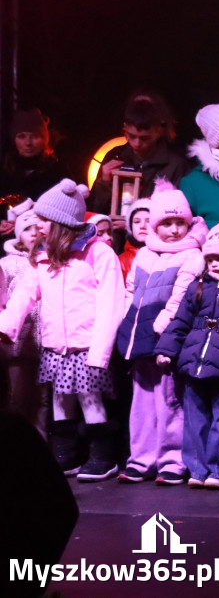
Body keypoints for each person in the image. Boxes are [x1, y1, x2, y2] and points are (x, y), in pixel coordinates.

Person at [0, 180, 125, 481]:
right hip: (56, 346)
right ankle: (65, 455)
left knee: (90, 399)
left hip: (87, 345)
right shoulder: (43, 256)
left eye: (43, 220)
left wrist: (100, 350)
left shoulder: (98, 253)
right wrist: (7, 327)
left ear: (60, 223)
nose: (38, 226)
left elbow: (111, 302)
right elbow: (24, 294)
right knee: (60, 401)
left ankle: (101, 457)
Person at [117, 179, 208, 485]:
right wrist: (126, 323)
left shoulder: (192, 256)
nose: (172, 230)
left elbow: (180, 299)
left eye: (178, 222)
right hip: (138, 339)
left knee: (168, 401)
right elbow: (131, 291)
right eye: (166, 223)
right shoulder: (145, 254)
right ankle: (141, 459)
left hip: (165, 341)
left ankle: (172, 460)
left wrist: (161, 330)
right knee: (141, 404)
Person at [154, 223, 219, 490]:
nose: (214, 264)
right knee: (195, 419)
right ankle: (197, 468)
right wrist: (166, 350)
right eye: (209, 259)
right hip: (193, 362)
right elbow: (180, 322)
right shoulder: (197, 287)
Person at [89, 93, 191, 220]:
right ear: (125, 128)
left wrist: (133, 226)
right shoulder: (115, 156)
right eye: (131, 136)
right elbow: (92, 213)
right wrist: (104, 183)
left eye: (145, 138)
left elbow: (180, 215)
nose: (137, 143)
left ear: (159, 131)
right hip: (112, 237)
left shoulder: (176, 165)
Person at [0, 200, 45, 434]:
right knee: (19, 397)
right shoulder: (7, 264)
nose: (34, 232)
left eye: (38, 227)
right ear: (18, 235)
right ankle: (16, 446)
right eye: (27, 228)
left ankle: (42, 451)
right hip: (18, 345)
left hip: (47, 344)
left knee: (44, 402)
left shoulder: (49, 263)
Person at [0, 109, 66, 235]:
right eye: (21, 136)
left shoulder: (58, 173)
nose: (28, 143)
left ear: (45, 140)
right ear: (14, 140)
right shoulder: (4, 172)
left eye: (35, 136)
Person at [119, 198, 150, 283]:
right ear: (131, 226)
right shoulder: (121, 260)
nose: (142, 226)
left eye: (149, 221)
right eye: (137, 222)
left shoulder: (166, 257)